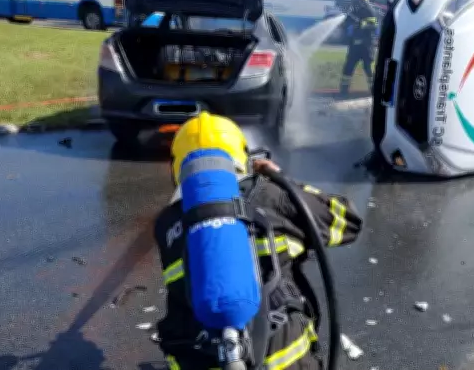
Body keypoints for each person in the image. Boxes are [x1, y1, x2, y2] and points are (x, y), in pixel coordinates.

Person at [153, 111, 364, 370]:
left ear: (176, 167)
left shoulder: (166, 224)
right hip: (285, 360)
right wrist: (282, 180)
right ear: (243, 157)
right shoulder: (274, 196)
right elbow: (349, 222)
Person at [339, 0, 378, 96]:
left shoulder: (369, 10)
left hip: (366, 46)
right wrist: (345, 24)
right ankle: (343, 91)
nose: (355, 1)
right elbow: (347, 22)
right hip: (355, 46)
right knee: (348, 68)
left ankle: (374, 92)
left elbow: (373, 25)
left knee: (368, 69)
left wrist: (360, 24)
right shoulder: (353, 10)